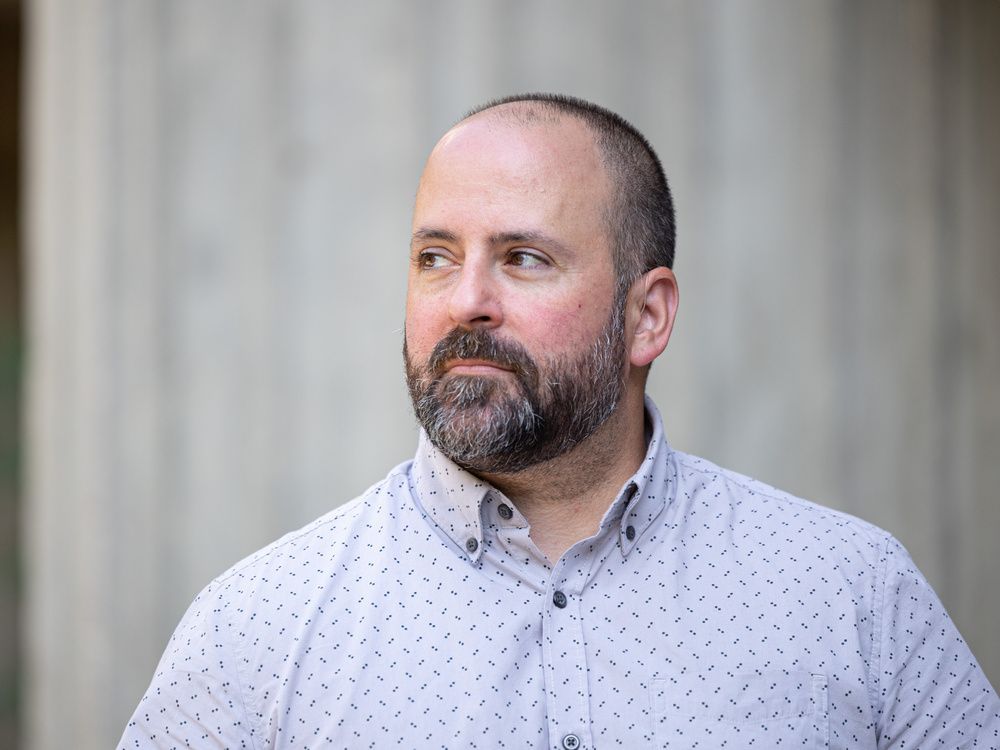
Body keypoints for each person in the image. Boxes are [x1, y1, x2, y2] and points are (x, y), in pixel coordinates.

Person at [119, 94, 999, 749]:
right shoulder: (256, 630)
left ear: (647, 317)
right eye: (435, 257)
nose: (466, 300)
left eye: (524, 258)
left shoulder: (850, 595)